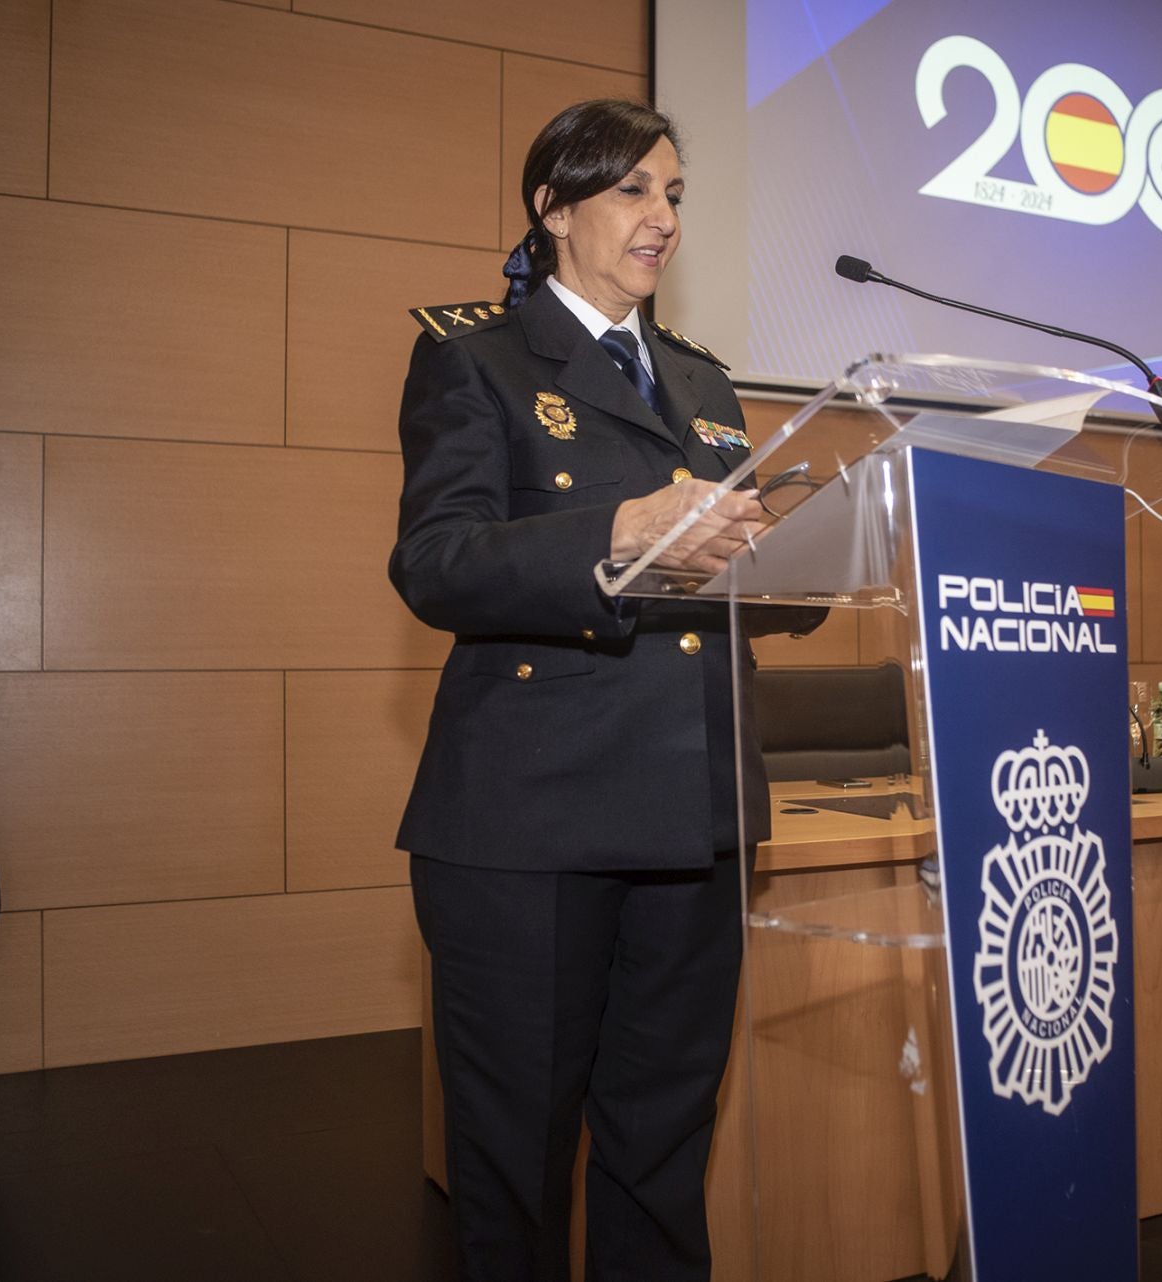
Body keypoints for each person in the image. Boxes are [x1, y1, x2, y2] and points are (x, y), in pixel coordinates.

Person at [389, 99, 814, 1282]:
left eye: (674, 194)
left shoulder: (705, 381)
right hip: (535, 818)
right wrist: (614, 533)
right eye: (632, 190)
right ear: (554, 207)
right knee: (518, 1160)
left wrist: (804, 556)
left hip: (698, 813)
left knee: (662, 1148)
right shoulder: (475, 354)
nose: (662, 217)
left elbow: (752, 568)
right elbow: (435, 562)